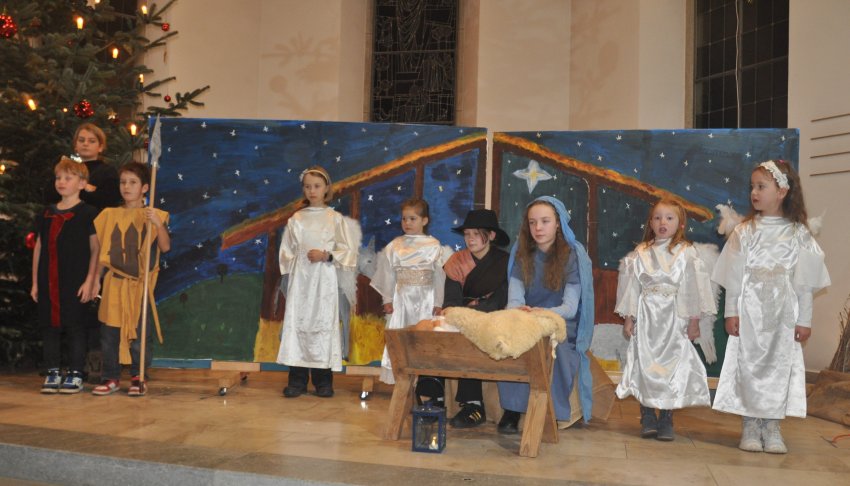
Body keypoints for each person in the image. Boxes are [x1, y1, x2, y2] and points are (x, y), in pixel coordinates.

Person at [712, 160, 830, 454]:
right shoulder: (745, 231)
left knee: (779, 365)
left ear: (782, 191)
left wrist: (804, 320)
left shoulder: (799, 233)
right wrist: (731, 312)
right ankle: (751, 424)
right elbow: (734, 278)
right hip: (751, 311)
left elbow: (805, 283)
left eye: (761, 186)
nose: (754, 192)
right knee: (750, 363)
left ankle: (773, 425)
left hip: (783, 315)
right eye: (752, 186)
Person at [614, 199, 716, 441]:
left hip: (674, 318)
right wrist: (630, 318)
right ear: (650, 223)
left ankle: (666, 417)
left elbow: (692, 289)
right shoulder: (641, 253)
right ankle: (648, 414)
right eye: (657, 217)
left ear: (680, 224)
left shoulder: (686, 253)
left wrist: (693, 321)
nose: (663, 222)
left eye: (669, 218)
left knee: (671, 366)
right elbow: (633, 288)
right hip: (647, 318)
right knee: (646, 365)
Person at [496, 196, 595, 434]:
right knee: (508, 340)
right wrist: (521, 313)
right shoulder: (522, 253)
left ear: (558, 223)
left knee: (557, 348)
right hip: (527, 317)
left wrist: (542, 313)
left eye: (545, 221)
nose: (538, 228)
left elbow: (569, 307)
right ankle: (512, 409)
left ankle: (552, 410)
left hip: (559, 320)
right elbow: (514, 300)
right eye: (532, 222)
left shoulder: (573, 255)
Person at [277, 166, 358, 398]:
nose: (312, 191)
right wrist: (295, 266)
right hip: (302, 282)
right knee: (299, 323)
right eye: (307, 186)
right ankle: (297, 380)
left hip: (324, 282)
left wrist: (326, 255)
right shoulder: (297, 219)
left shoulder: (335, 219)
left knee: (322, 324)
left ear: (326, 189)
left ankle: (323, 381)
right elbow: (286, 252)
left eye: (317, 186)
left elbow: (348, 251)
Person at [90, 162, 170, 397]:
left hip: (139, 286)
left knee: (139, 334)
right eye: (123, 182)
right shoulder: (109, 215)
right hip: (114, 283)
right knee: (109, 334)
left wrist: (157, 224)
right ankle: (110, 377)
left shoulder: (154, 215)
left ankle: (138, 377)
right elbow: (103, 253)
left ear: (145, 187)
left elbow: (165, 246)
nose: (126, 187)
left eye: (133, 182)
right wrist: (95, 280)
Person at [30, 156, 100, 394]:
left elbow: (96, 249)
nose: (61, 182)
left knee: (75, 327)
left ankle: (76, 372)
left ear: (82, 183)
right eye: (58, 177)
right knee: (49, 327)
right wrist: (35, 282)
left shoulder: (89, 213)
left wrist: (90, 280)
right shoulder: (46, 213)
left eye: (68, 178)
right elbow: (39, 247)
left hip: (75, 280)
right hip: (48, 279)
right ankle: (52, 371)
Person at [371, 198, 452, 388]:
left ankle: (424, 382)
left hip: (426, 299)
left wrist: (438, 302)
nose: (407, 223)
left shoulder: (433, 245)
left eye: (412, 219)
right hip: (402, 300)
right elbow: (388, 273)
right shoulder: (395, 245)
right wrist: (387, 299)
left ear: (424, 220)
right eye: (404, 219)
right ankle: (402, 380)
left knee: (423, 337)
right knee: (402, 336)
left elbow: (439, 276)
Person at [441, 209, 510, 428]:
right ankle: (434, 399)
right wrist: (461, 314)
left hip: (495, 317)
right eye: (467, 234)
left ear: (491, 235)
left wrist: (475, 314)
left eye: (476, 234)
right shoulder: (456, 262)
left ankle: (474, 405)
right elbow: (450, 301)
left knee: (475, 333)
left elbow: (500, 299)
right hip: (461, 316)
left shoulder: (505, 262)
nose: (470, 239)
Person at [70, 123, 122, 384]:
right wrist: (81, 188)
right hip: (73, 240)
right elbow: (55, 195)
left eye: (91, 140)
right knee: (74, 300)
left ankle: (96, 361)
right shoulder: (69, 169)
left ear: (101, 146)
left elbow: (109, 200)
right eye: (82, 140)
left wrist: (85, 191)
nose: (86, 144)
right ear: (75, 144)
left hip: (97, 240)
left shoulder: (107, 172)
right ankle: (73, 362)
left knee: (94, 300)